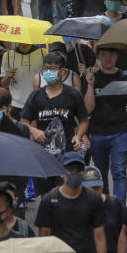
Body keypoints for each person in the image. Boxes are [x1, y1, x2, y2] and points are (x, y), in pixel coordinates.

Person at [21, 53, 90, 193]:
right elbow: (24, 121)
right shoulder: (36, 95)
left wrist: (79, 136)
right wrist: (35, 131)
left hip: (67, 157)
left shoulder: (73, 94)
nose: (48, 72)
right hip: (42, 156)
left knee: (65, 192)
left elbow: (83, 120)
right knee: (45, 195)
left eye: (53, 68)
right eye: (45, 68)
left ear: (62, 72)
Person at [84, 45, 127, 203]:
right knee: (101, 173)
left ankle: (120, 210)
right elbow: (88, 108)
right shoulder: (92, 78)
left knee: (119, 173)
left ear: (117, 56)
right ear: (98, 57)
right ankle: (104, 208)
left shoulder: (125, 79)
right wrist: (90, 85)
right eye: (103, 55)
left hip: (119, 132)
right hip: (97, 133)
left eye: (111, 54)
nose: (107, 58)